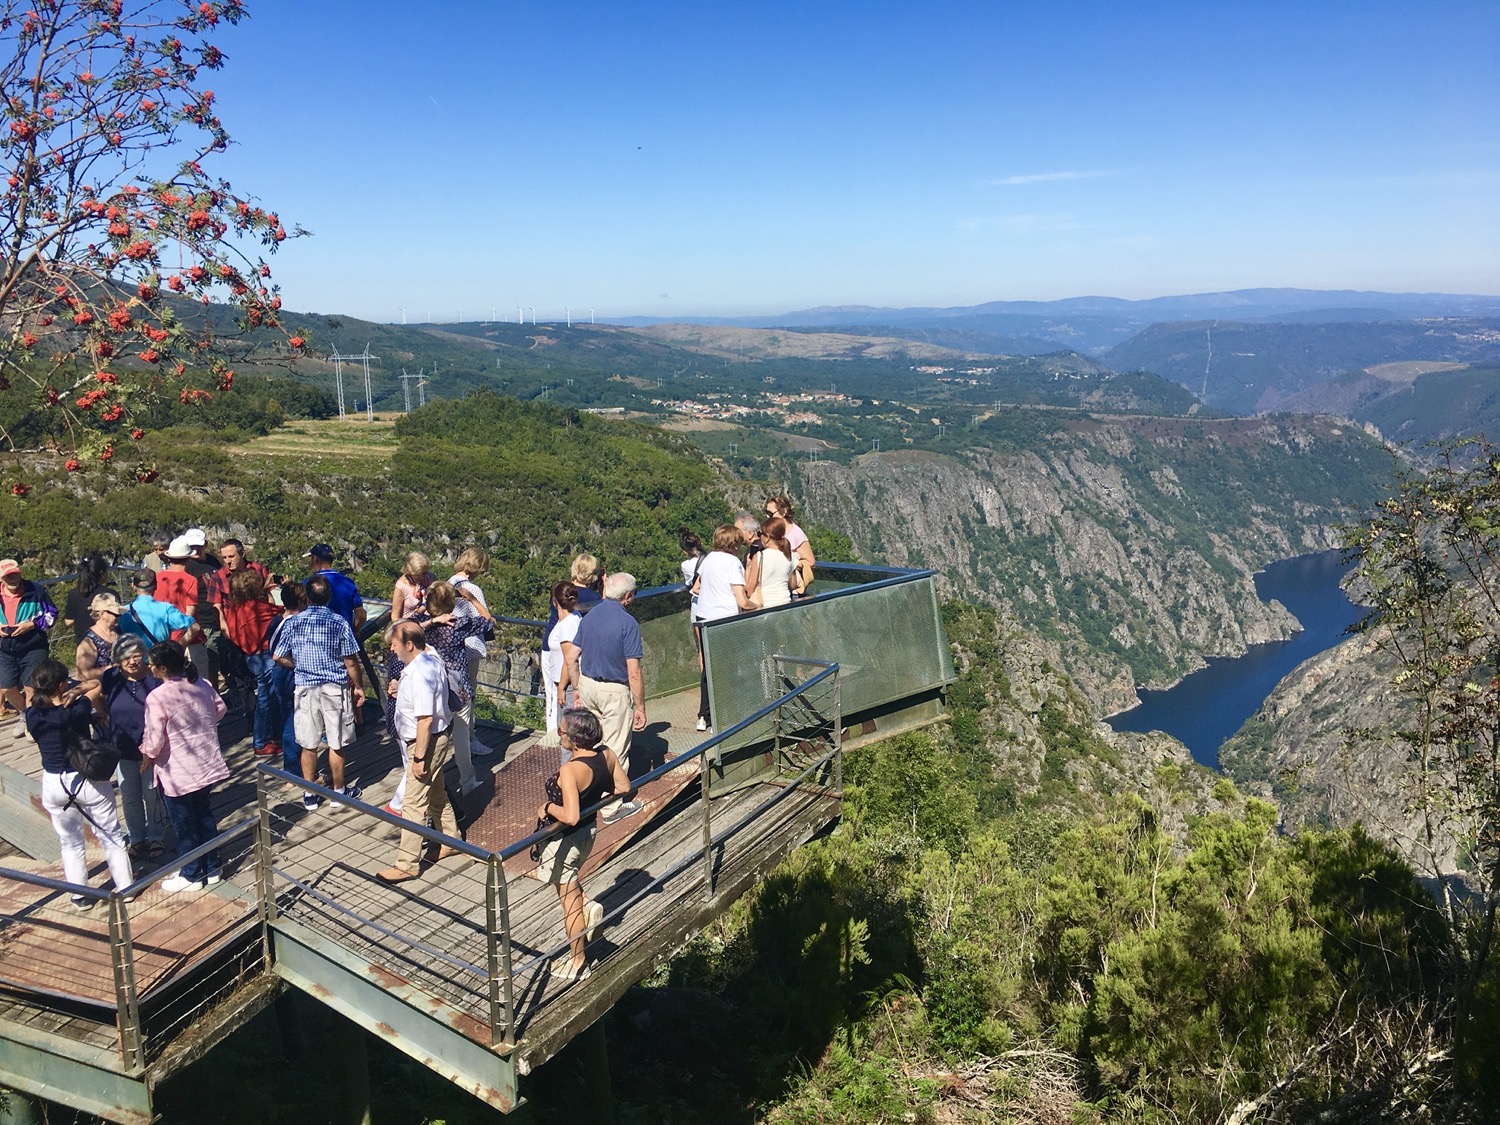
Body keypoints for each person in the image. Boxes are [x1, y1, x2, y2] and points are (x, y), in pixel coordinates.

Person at [533, 707, 630, 982]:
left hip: (564, 840)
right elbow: (623, 788)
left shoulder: (570, 770)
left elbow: (570, 815)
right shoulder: (606, 755)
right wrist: (597, 795)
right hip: (588, 833)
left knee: (568, 904)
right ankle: (587, 905)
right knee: (572, 886)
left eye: (561, 731)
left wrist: (548, 807)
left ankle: (578, 962)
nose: (559, 735)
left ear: (574, 738)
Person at [28, 658, 134, 908]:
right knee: (111, 836)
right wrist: (76, 691)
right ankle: (127, 888)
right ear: (62, 684)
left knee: (70, 842)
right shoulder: (76, 709)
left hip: (53, 783)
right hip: (86, 779)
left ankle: (79, 895)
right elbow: (96, 684)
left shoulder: (33, 714)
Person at [376, 621, 463, 884]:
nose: (392, 648)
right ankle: (450, 839)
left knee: (413, 805)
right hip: (435, 738)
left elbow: (425, 719)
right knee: (436, 791)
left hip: (425, 743)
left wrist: (419, 758)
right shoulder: (430, 658)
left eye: (395, 644)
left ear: (409, 645)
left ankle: (407, 864)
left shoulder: (418, 674)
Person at [271, 573, 367, 809]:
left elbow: (277, 655)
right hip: (334, 686)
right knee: (336, 742)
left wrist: (299, 666)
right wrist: (359, 687)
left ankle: (310, 795)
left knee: (308, 743)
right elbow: (351, 662)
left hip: (305, 687)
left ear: (308, 597)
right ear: (329, 596)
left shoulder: (293, 623)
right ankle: (339, 792)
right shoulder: (338, 623)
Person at [141, 641, 229, 893]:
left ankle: (191, 873)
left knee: (183, 823)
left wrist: (147, 753)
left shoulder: (157, 696)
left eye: (152, 664)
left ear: (163, 668)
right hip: (206, 760)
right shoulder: (202, 683)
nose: (149, 667)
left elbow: (155, 739)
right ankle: (212, 866)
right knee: (204, 816)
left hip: (177, 769)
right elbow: (220, 708)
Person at [561, 572, 646, 822]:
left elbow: (570, 658)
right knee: (616, 748)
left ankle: (588, 794)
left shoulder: (588, 617)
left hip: (588, 684)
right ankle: (611, 808)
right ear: (628, 596)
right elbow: (634, 672)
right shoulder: (628, 623)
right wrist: (639, 706)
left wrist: (577, 688)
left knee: (590, 744)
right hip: (613, 690)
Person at [412, 581, 494, 796]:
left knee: (433, 733)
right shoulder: (458, 624)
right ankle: (468, 781)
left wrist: (429, 617)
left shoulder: (421, 625)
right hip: (459, 687)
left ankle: (428, 779)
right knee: (460, 736)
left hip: (432, 687)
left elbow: (403, 626)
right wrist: (472, 599)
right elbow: (488, 621)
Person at [97, 634, 166, 860]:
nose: (133, 661)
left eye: (137, 655)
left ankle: (157, 836)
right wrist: (104, 716)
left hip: (152, 748)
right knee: (129, 795)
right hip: (122, 747)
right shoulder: (111, 676)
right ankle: (137, 837)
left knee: (152, 794)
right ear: (118, 659)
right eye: (126, 657)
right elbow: (99, 697)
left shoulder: (154, 678)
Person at [691, 526, 757, 732]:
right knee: (728, 669)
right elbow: (741, 599)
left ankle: (704, 716)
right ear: (734, 544)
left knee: (708, 669)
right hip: (724, 619)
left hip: (704, 616)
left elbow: (697, 587)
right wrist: (756, 605)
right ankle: (724, 718)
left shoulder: (708, 558)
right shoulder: (732, 562)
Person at [221, 568, 281, 757]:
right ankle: (261, 741)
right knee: (267, 699)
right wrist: (278, 591)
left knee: (268, 698)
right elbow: (282, 613)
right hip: (265, 656)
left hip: (250, 657)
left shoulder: (234, 610)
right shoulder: (259, 609)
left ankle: (272, 735)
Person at [206, 538, 270, 694]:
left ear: (242, 554)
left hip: (259, 629)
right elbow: (217, 604)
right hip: (235, 631)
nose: (228, 561)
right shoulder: (218, 577)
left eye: (231, 557)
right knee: (238, 670)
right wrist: (223, 625)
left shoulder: (258, 570)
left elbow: (267, 596)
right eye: (224, 557)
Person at [449, 546, 496, 759]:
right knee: (469, 695)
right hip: (470, 648)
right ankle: (469, 739)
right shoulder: (473, 590)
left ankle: (457, 736)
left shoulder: (447, 583)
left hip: (451, 647)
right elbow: (486, 620)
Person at [0, 558, 58, 717]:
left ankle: (31, 721)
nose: (12, 579)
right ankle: (27, 714)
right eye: (8, 576)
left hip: (33, 645)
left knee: (31, 686)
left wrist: (32, 625)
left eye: (15, 575)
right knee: (6, 688)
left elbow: (52, 614)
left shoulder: (35, 590)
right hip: (4, 648)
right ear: (1, 578)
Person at [266, 580, 307, 778]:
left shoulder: (276, 620)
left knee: (287, 717)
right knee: (293, 721)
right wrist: (301, 664)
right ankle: (292, 771)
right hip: (290, 673)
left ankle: (294, 765)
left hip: (277, 674)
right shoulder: (295, 624)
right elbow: (279, 654)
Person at [154, 537, 210, 677]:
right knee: (198, 679)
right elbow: (189, 615)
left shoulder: (158, 577)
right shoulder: (190, 580)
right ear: (188, 558)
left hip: (163, 637)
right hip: (189, 639)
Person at [119, 568, 199, 648]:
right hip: (160, 658)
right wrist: (179, 647)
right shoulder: (166, 609)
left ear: (133, 586)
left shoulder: (123, 612)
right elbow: (195, 627)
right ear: (156, 586)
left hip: (133, 659)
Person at [542, 582, 580, 748]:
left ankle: (569, 770)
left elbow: (568, 659)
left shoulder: (566, 626)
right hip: (568, 683)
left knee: (567, 733)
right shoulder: (575, 617)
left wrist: (561, 688)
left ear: (554, 601)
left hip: (567, 684)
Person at [305, 543, 366, 631]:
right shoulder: (348, 583)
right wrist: (354, 631)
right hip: (341, 638)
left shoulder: (308, 584)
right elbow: (361, 615)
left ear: (316, 560)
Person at [764, 495, 816, 595]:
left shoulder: (797, 534)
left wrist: (790, 562)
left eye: (770, 513)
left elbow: (810, 562)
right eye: (766, 513)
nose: (767, 517)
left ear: (783, 512)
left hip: (792, 590)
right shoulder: (769, 531)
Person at [746, 516, 800, 609]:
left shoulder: (759, 556)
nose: (759, 537)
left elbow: (750, 589)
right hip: (785, 604)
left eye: (760, 534)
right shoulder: (790, 555)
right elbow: (793, 585)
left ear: (767, 537)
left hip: (766, 606)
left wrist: (748, 567)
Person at [74, 592, 123, 687]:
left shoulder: (118, 631)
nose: (119, 617)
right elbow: (82, 675)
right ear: (102, 614)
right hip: (101, 692)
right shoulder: (89, 641)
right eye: (115, 614)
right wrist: (111, 668)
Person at [63, 554, 112, 643]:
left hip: (83, 642)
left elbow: (68, 621)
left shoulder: (73, 594)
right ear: (102, 573)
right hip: (107, 642)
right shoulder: (110, 594)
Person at [391, 551, 434, 620]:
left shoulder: (430, 577)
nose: (423, 577)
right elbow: (395, 617)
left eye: (424, 573)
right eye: (418, 575)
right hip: (410, 624)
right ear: (410, 572)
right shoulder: (402, 586)